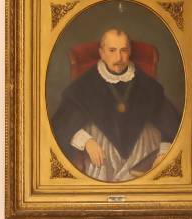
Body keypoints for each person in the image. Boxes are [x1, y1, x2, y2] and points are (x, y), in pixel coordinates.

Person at [50, 28, 181, 182]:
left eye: (123, 50)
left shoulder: (147, 84)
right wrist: (86, 141)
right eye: (112, 50)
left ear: (130, 51)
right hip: (102, 152)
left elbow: (170, 122)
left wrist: (164, 153)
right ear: (101, 52)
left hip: (143, 149)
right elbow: (62, 122)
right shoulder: (84, 84)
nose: (118, 57)